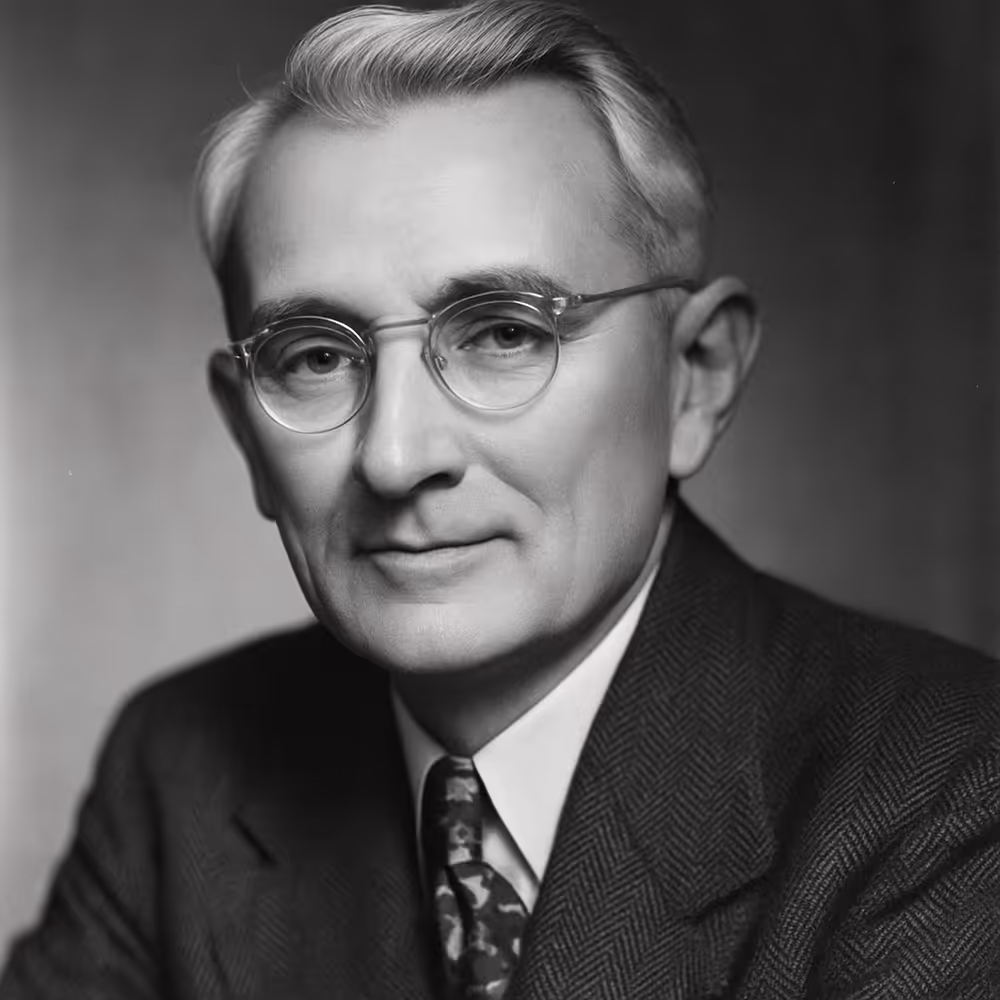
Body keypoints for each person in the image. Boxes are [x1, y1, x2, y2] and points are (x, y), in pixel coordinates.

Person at [3, 1, 999, 997]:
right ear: (247, 439)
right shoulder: (181, 769)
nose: (394, 457)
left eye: (502, 333)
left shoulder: (946, 789)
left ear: (694, 377)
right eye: (313, 356)